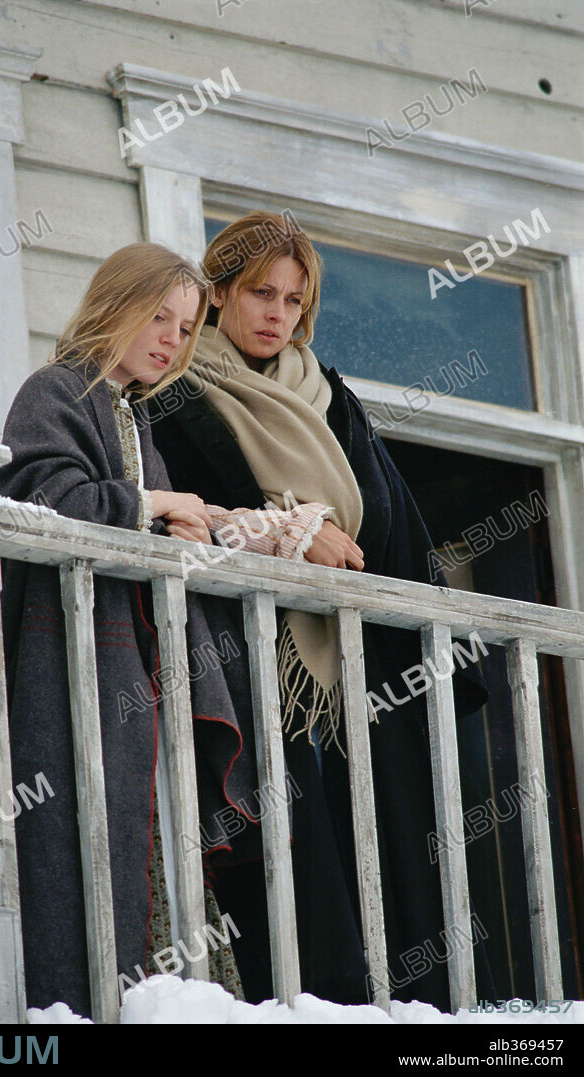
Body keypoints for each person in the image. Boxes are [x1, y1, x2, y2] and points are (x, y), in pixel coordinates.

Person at [147, 213, 497, 1012]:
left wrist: (439, 665)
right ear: (219, 292)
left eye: (294, 301)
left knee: (388, 865)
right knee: (291, 880)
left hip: (354, 681)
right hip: (240, 666)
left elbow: (396, 526)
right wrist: (297, 533)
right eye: (260, 293)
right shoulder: (172, 390)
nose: (277, 313)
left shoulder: (329, 393)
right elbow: (183, 516)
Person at [0, 242, 338, 1018]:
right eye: (158, 317)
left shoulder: (132, 410)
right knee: (80, 837)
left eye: (185, 328)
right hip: (76, 656)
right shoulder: (58, 389)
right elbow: (40, 498)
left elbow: (151, 513)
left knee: (146, 840)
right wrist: (151, 506)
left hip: (139, 662)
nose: (171, 339)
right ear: (113, 304)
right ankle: (75, 1007)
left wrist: (189, 525)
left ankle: (157, 999)